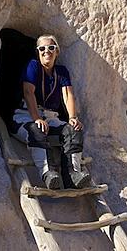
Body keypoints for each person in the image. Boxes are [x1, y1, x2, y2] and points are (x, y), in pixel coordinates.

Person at [12, 34, 90, 189]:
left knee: (73, 130)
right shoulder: (33, 66)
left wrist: (73, 117)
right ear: (37, 51)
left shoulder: (61, 72)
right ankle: (48, 174)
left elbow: (67, 94)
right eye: (42, 48)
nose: (46, 51)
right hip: (25, 116)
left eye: (51, 47)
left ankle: (73, 174)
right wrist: (36, 118)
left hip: (49, 116)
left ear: (57, 51)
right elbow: (28, 92)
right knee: (37, 130)